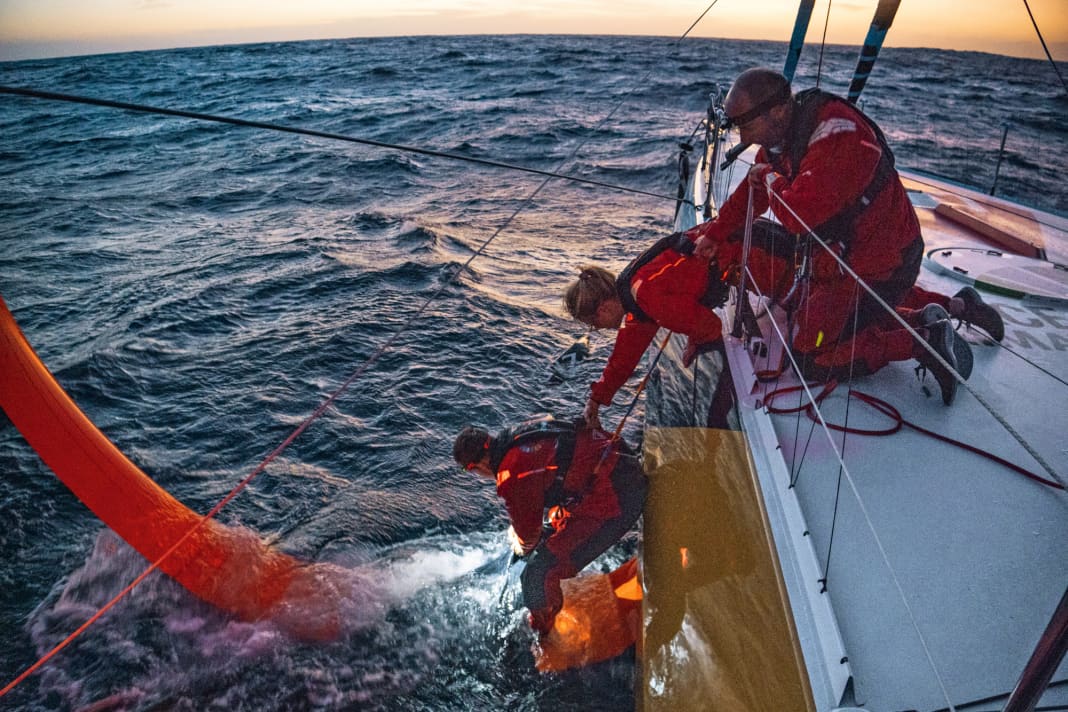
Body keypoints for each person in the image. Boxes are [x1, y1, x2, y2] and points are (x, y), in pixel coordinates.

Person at [691, 67, 1003, 405]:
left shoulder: (839, 138)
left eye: (746, 126)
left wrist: (766, 177)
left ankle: (923, 338)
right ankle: (959, 306)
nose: (743, 139)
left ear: (777, 110)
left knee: (811, 353)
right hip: (845, 260)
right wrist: (715, 235)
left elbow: (799, 214)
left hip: (887, 262)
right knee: (826, 304)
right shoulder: (785, 140)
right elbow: (753, 192)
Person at [453, 415, 646, 636]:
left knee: (537, 575)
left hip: (620, 499)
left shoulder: (510, 476)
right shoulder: (519, 432)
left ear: (477, 466)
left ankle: (546, 632)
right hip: (619, 464)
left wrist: (521, 545)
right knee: (550, 526)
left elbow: (529, 538)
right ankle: (554, 598)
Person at [563, 231, 730, 430]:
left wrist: (696, 342)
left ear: (603, 310)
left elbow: (710, 326)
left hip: (752, 258)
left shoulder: (645, 295)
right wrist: (596, 399)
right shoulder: (634, 299)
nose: (597, 329)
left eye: (593, 324)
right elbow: (623, 359)